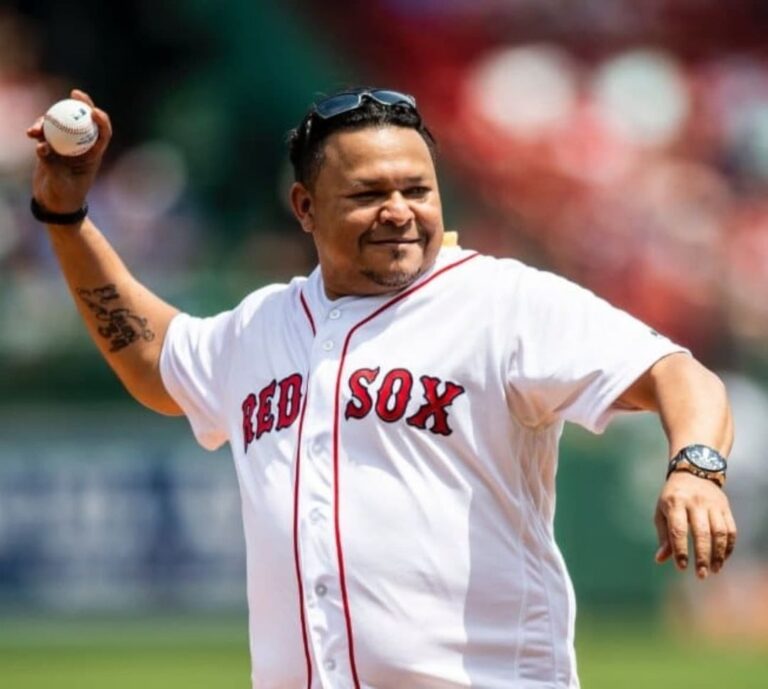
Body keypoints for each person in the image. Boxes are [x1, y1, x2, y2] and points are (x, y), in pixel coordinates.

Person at [28, 87, 737, 689]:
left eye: (416, 189)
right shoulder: (262, 325)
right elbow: (155, 358)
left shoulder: (501, 302)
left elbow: (678, 373)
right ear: (305, 207)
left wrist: (697, 467)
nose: (399, 209)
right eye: (369, 193)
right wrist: (65, 217)